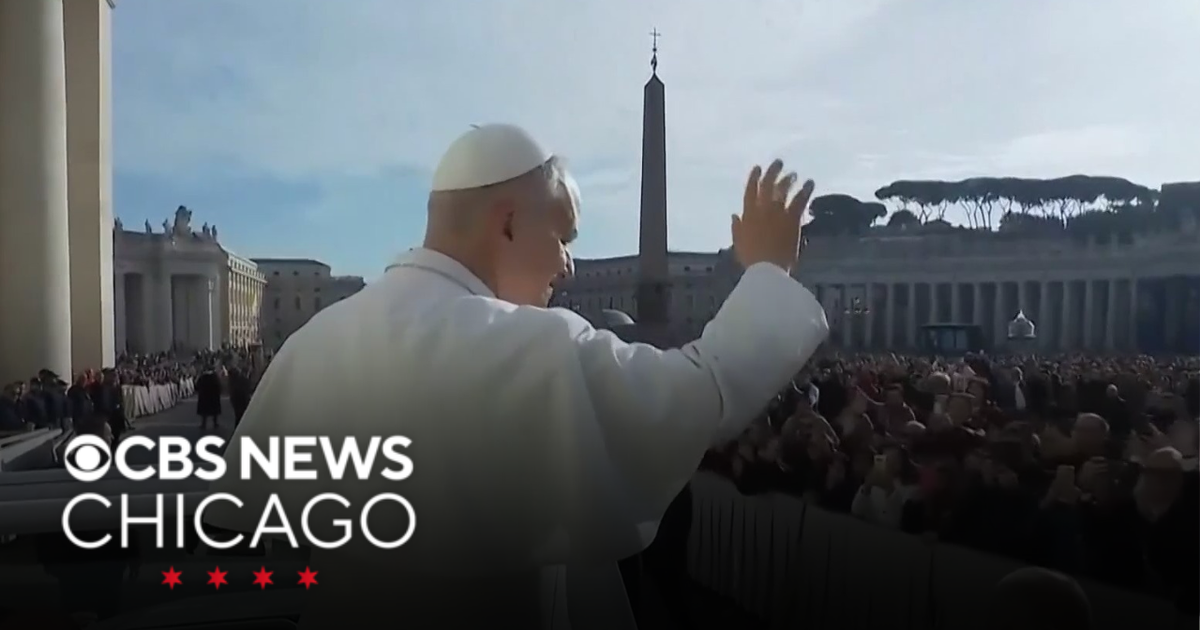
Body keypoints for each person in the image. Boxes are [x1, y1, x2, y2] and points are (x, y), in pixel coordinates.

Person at [205, 123, 828, 629]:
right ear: (506, 222)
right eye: (563, 236)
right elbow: (703, 393)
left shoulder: (315, 343)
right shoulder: (528, 346)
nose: (570, 266)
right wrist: (768, 272)